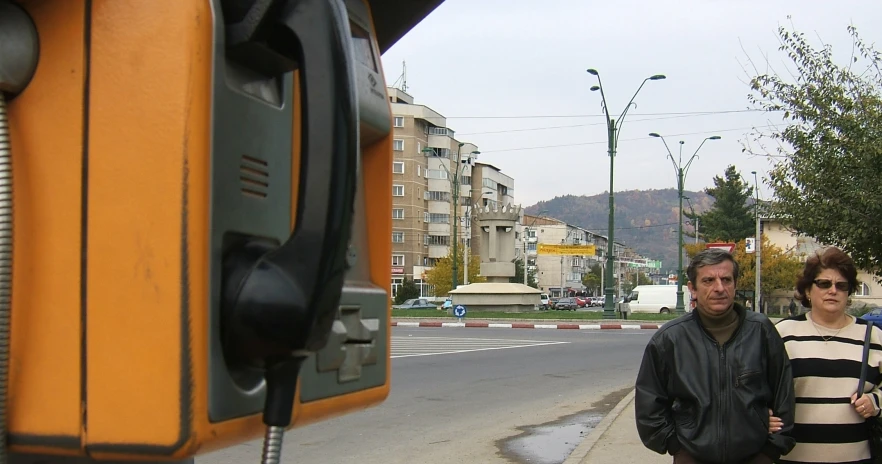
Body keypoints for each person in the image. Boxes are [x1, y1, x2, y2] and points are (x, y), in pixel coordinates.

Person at [635, 248, 796, 463]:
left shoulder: (760, 331)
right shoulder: (670, 339)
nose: (719, 288)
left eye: (726, 280)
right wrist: (676, 446)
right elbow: (649, 405)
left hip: (756, 456)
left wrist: (771, 451)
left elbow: (783, 394)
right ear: (692, 288)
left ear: (735, 284)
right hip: (692, 457)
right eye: (709, 280)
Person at [772, 246, 882, 463]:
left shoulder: (873, 336)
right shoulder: (782, 334)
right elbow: (758, 387)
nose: (833, 290)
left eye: (841, 285)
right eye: (824, 283)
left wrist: (875, 401)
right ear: (806, 291)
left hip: (856, 458)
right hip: (793, 458)